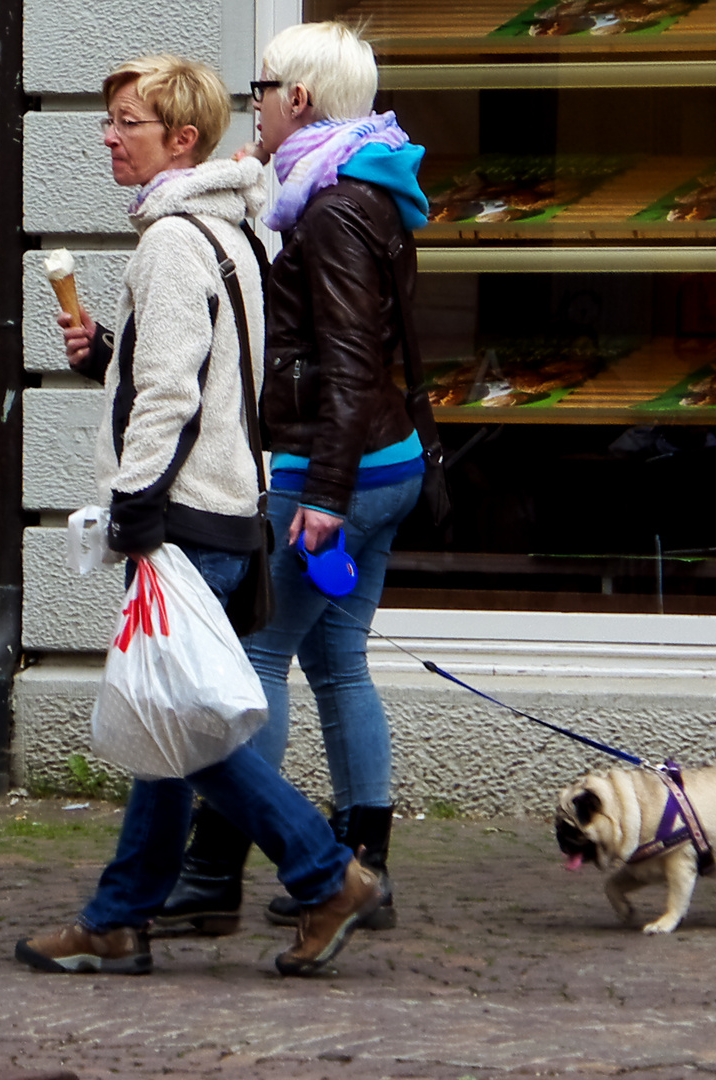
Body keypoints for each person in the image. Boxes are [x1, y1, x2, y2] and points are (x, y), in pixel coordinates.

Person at [13, 54, 381, 979]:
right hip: (228, 512)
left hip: (180, 521)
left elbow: (174, 395)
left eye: (126, 121)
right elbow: (217, 381)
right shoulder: (237, 233)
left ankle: (327, 870)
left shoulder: (174, 242)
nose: (107, 135)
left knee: (184, 730)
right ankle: (122, 916)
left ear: (182, 138)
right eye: (107, 120)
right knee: (167, 726)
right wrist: (109, 351)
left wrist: (134, 507)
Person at [156, 22, 430, 936]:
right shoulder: (359, 188)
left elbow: (349, 367)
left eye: (262, 88)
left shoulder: (332, 211)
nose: (256, 105)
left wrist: (322, 497)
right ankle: (367, 867)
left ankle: (222, 867)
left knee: (259, 656)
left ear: (299, 100)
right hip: (382, 466)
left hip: (335, 471)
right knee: (337, 660)